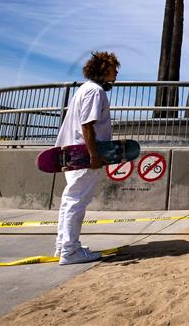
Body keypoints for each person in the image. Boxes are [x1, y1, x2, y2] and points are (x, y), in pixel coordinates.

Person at [55, 51, 120, 265]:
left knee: (69, 200)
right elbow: (87, 125)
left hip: (72, 152)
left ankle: (63, 246)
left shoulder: (83, 89)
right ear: (103, 70)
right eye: (113, 69)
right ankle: (70, 251)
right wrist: (93, 155)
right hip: (85, 153)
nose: (116, 73)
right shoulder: (95, 91)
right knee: (77, 201)